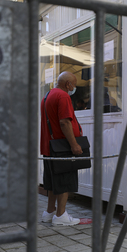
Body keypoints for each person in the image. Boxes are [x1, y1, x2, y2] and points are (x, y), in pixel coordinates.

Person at [40, 71, 83, 226]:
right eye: (74, 85)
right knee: (64, 181)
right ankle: (61, 216)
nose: (74, 88)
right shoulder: (63, 96)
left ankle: (49, 212)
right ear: (68, 84)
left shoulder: (47, 95)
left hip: (49, 147)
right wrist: (74, 144)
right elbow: (64, 122)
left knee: (52, 182)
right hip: (61, 147)